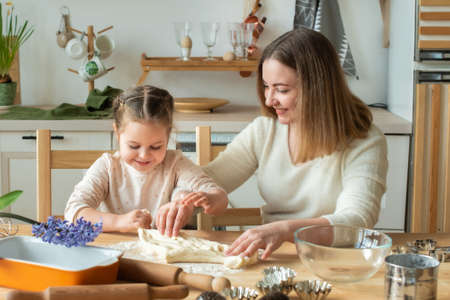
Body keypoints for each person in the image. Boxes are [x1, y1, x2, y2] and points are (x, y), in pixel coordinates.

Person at [184, 28, 388, 260]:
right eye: (266, 86)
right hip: (276, 257)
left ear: (318, 88)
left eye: (281, 89)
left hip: (337, 259)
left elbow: (357, 220)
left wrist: (285, 230)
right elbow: (208, 181)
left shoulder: (366, 141)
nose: (270, 100)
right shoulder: (264, 130)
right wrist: (183, 199)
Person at [64, 85, 228, 234]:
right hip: (114, 253)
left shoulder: (175, 163)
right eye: (134, 146)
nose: (144, 155)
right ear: (118, 132)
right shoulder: (107, 166)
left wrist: (209, 199)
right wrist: (119, 222)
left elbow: (220, 197)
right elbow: (73, 212)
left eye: (156, 147)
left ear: (168, 134)